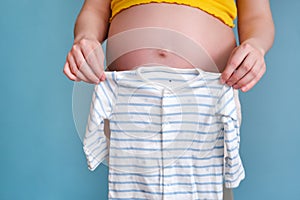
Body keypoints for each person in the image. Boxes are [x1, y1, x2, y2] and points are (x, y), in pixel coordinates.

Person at [63, 0, 275, 199]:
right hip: (132, 100)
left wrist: (256, 46)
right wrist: (86, 38)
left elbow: (257, 17)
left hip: (206, 101)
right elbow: (95, 9)